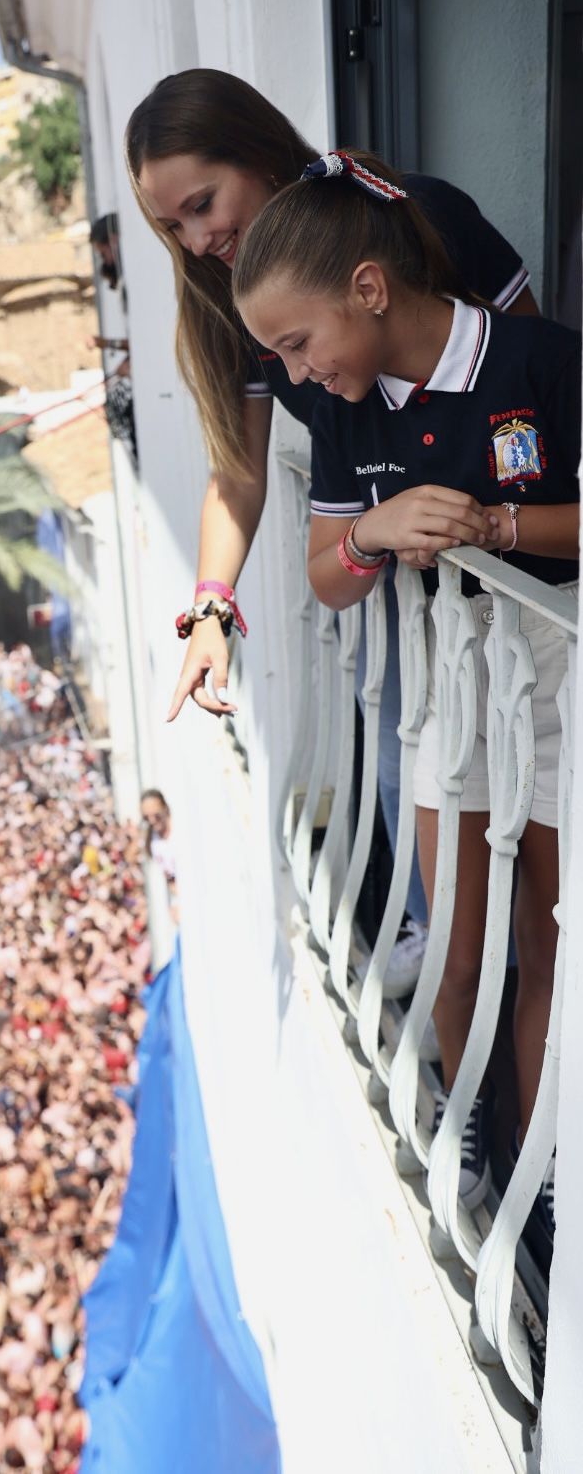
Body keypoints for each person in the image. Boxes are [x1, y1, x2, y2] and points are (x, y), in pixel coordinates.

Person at [126, 68, 540, 995]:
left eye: (203, 203)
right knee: (412, 778)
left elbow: (535, 370)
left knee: (530, 811)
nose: (198, 240)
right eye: (173, 227)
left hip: (519, 574)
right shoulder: (232, 305)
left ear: (259, 150)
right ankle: (455, 967)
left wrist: (488, 511)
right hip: (403, 585)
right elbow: (238, 470)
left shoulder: (423, 217)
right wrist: (210, 611)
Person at [231, 147, 580, 1224]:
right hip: (448, 675)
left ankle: (543, 1181)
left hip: (556, 682)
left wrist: (504, 527)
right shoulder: (344, 412)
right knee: (459, 950)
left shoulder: (541, 362)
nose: (292, 374)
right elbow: (328, 578)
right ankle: (476, 1129)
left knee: (545, 946)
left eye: (298, 343)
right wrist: (377, 532)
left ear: (370, 290)